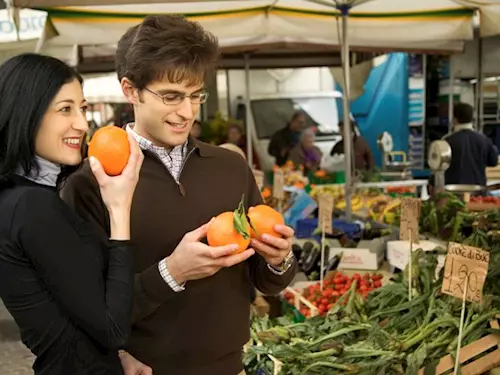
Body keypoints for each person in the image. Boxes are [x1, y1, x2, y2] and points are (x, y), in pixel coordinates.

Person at [61, 15, 297, 375]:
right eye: (170, 96)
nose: (186, 113)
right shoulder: (92, 182)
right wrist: (172, 272)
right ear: (130, 90)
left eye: (195, 95)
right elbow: (86, 310)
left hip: (229, 366)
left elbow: (266, 281)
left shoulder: (229, 166)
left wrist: (278, 260)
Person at [0, 53, 144, 374]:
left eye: (82, 108)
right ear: (26, 112)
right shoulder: (31, 205)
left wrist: (118, 358)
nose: (82, 124)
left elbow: (69, 310)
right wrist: (119, 210)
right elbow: (113, 329)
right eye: (65, 109)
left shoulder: (19, 196)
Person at [444, 102, 499, 187]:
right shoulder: (485, 140)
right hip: (478, 193)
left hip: (454, 193)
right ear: (471, 118)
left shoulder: (446, 141)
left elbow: (438, 167)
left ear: (454, 119)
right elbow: (493, 161)